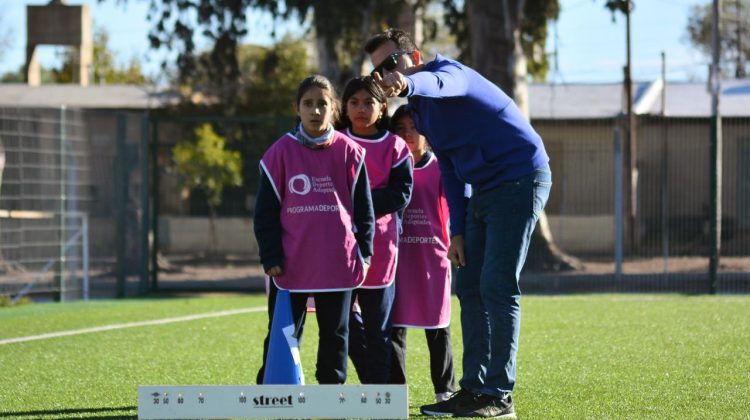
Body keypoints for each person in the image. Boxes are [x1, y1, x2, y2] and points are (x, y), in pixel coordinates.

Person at [365, 28, 552, 418]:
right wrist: (458, 230)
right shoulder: (419, 113)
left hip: (521, 177)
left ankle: (499, 395)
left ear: (412, 58)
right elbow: (449, 169)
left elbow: (438, 83)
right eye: (377, 70)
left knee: (497, 285)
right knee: (468, 284)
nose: (384, 75)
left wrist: (408, 81)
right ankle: (473, 391)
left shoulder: (449, 73)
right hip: (484, 188)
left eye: (389, 64)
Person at [254, 74, 375, 385]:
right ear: (297, 109)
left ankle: (331, 392)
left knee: (336, 333)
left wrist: (364, 254)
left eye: (322, 104)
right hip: (291, 263)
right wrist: (271, 256)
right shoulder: (279, 153)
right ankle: (272, 388)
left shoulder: (351, 152)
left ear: (334, 108)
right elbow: (265, 214)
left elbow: (365, 212)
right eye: (308, 104)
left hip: (338, 262)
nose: (315, 110)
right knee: (283, 331)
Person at [336, 76, 413, 384]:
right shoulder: (334, 142)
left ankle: (379, 398)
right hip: (338, 250)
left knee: (379, 329)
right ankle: (370, 383)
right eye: (354, 102)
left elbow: (400, 193)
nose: (360, 108)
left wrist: (358, 200)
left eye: (368, 102)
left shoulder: (394, 146)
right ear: (344, 107)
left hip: (381, 251)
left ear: (382, 108)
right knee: (341, 326)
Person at [388, 105, 456, 403]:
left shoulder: (440, 168)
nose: (407, 134)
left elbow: (456, 208)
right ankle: (396, 395)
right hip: (396, 260)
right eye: (400, 129)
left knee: (438, 327)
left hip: (433, 260)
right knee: (394, 329)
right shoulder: (387, 167)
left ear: (426, 133)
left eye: (413, 128)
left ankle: (445, 392)